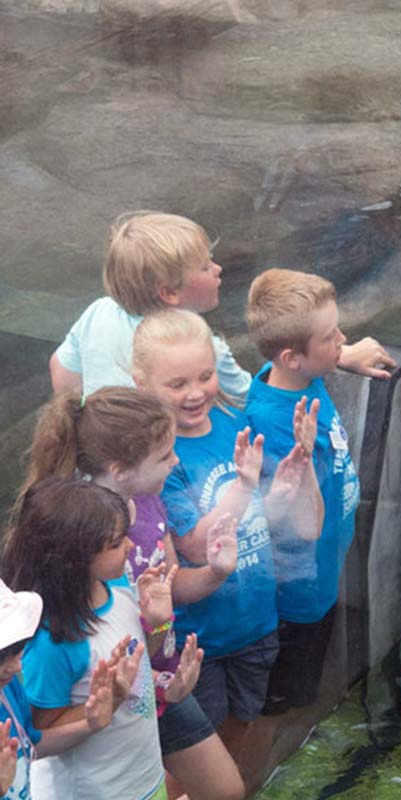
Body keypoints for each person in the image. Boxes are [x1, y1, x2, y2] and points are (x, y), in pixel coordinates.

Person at [20, 387, 243, 800]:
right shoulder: (76, 537)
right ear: (120, 469)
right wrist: (97, 716)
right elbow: (37, 731)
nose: (176, 461)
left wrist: (210, 576)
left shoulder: (123, 562)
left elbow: (157, 608)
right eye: (164, 456)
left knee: (224, 789)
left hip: (148, 686)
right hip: (104, 738)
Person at [131, 308, 321, 783]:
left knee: (242, 726)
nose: (195, 393)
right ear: (141, 383)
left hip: (255, 623)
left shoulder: (233, 423)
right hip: (202, 642)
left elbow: (260, 518)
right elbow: (194, 547)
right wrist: (242, 486)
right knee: (194, 756)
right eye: (177, 384)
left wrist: (280, 491)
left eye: (205, 376)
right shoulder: (162, 459)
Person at [49, 211, 396, 402]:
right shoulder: (202, 348)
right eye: (204, 266)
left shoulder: (97, 311)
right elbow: (257, 403)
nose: (218, 270)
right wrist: (338, 356)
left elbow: (61, 374)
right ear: (169, 293)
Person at [239, 270, 360, 777]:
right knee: (271, 710)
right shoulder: (272, 419)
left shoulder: (303, 379)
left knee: (291, 702)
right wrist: (305, 456)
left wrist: (343, 356)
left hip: (320, 582)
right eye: (330, 336)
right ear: (291, 356)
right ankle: (244, 785)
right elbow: (298, 522)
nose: (342, 341)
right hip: (294, 598)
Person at [2, 479, 165, 799]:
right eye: (118, 542)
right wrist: (102, 707)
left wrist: (158, 625)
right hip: (97, 790)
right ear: (75, 559)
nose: (131, 546)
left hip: (144, 774)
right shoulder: (53, 642)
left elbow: (137, 665)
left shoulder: (117, 584)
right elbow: (42, 731)